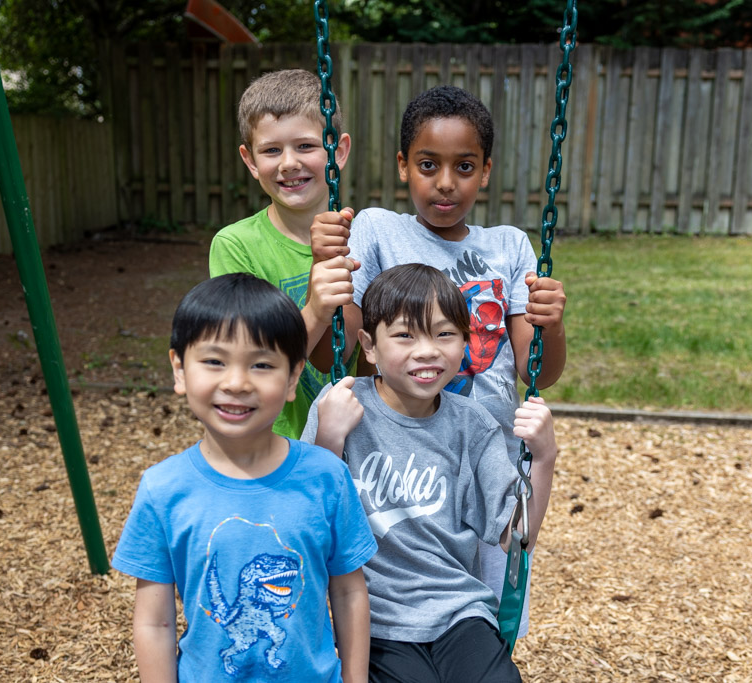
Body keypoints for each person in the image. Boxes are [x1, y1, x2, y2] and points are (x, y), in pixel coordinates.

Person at [310, 84, 567, 636]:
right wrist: (328, 280)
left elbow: (536, 371)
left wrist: (552, 320)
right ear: (404, 166)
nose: (446, 182)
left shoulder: (511, 246)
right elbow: (334, 351)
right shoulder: (378, 230)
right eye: (428, 165)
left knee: (490, 612)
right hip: (402, 456)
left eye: (464, 167)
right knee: (401, 610)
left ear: (486, 171)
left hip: (489, 456)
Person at [112, 273, 377, 683]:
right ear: (179, 370)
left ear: (292, 379)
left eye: (262, 365)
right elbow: (154, 623)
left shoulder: (326, 477)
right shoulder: (163, 489)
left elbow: (349, 592)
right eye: (214, 361)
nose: (236, 383)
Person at [301, 263, 558, 682]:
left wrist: (544, 458)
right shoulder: (341, 405)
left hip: (459, 609)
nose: (427, 350)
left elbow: (516, 538)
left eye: (444, 334)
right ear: (368, 345)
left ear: (465, 345)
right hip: (372, 615)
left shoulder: (472, 424)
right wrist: (330, 438)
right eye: (404, 335)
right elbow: (309, 519)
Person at [209, 69, 359, 439]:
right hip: (275, 446)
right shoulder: (237, 246)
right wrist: (314, 311)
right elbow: (246, 367)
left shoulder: (367, 237)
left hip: (362, 440)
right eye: (272, 150)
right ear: (250, 160)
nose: (289, 163)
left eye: (305, 146)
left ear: (337, 151)